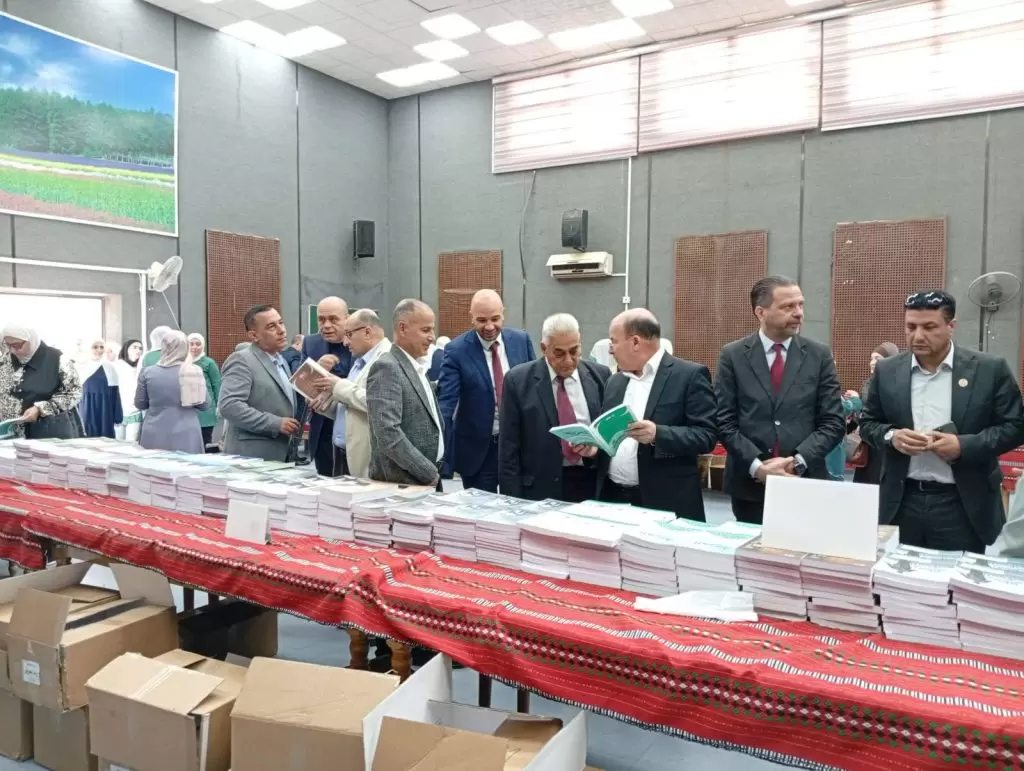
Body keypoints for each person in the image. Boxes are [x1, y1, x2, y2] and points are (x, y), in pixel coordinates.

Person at [860, 290, 1024, 553]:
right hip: (902, 502)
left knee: (959, 577)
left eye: (929, 327)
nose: (918, 336)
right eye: (911, 327)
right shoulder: (887, 370)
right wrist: (892, 437)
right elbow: (868, 423)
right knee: (897, 576)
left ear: (951, 326)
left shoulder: (989, 370)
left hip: (962, 504)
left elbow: (1015, 427)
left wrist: (963, 446)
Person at [715, 276, 845, 524]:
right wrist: (758, 467)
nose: (799, 313)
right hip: (750, 487)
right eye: (788, 306)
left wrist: (797, 462)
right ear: (761, 312)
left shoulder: (819, 355)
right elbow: (724, 421)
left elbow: (833, 422)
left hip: (806, 485)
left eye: (801, 304)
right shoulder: (733, 356)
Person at [584, 309, 717, 520]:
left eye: (614, 342)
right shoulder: (614, 381)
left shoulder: (688, 376)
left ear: (635, 342)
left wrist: (658, 434)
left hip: (664, 501)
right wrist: (593, 450)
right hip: (612, 497)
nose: (610, 350)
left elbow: (706, 436)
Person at [499, 313, 611, 502]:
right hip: (540, 488)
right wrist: (511, 502)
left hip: (590, 483)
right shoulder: (518, 381)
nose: (568, 360)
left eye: (574, 351)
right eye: (559, 353)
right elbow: (509, 449)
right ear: (544, 348)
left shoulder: (600, 376)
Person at [438, 289, 535, 491]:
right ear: (471, 318)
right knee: (481, 509)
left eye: (495, 319)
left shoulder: (521, 341)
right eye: (482, 320)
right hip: (478, 452)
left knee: (517, 505)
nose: (490, 326)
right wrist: (441, 455)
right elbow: (446, 406)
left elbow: (534, 391)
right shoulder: (456, 351)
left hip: (518, 447)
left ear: (503, 314)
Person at [367, 299, 444, 488]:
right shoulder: (387, 367)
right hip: (403, 485)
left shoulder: (415, 366)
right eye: (425, 330)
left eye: (432, 330)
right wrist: (428, 472)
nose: (432, 337)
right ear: (402, 329)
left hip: (424, 480)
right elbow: (388, 433)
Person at [308, 309, 392, 478]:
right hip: (343, 452)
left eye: (349, 334)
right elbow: (352, 406)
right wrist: (325, 406)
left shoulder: (387, 361)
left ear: (367, 332)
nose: (345, 342)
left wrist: (338, 385)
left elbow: (380, 404)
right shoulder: (360, 360)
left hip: (368, 457)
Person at [219, 305, 301, 462]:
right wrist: (275, 423)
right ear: (253, 335)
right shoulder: (242, 360)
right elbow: (229, 406)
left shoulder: (281, 360)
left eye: (281, 323)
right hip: (252, 457)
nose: (281, 330)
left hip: (281, 455)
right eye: (271, 326)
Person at [0, 324, 83, 439]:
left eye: (17, 345)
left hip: (49, 432)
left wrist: (41, 409)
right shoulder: (5, 360)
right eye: (8, 345)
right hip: (10, 435)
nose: (12, 350)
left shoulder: (57, 359)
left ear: (31, 339)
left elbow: (74, 393)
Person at [301, 297, 352, 475]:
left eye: (333, 319)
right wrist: (316, 368)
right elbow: (301, 382)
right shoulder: (311, 343)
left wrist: (336, 367)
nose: (326, 325)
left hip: (352, 430)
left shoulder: (360, 341)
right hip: (322, 430)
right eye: (321, 319)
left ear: (347, 318)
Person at [135, 331, 208, 454]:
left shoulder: (147, 372)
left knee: (154, 465)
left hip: (154, 432)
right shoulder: (193, 371)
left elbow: (140, 404)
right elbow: (204, 404)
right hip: (187, 433)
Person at [851, 342, 900, 485]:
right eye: (871, 358)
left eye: (877, 359)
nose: (872, 363)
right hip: (869, 446)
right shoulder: (868, 383)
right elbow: (864, 414)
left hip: (887, 446)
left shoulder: (899, 386)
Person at [78, 339, 122, 438]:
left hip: (105, 409)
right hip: (86, 408)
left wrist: (117, 416)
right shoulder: (80, 366)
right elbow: (74, 393)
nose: (99, 350)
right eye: (95, 347)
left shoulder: (109, 367)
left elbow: (115, 393)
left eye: (102, 347)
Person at [187, 333, 222, 450]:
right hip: (189, 410)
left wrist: (219, 405)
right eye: (191, 344)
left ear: (203, 346)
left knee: (205, 441)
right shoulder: (183, 362)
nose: (194, 347)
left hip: (206, 410)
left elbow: (217, 384)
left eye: (198, 344)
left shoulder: (209, 363)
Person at [115, 339, 143, 441]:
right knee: (118, 443)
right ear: (126, 349)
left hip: (135, 411)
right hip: (119, 410)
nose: (138, 350)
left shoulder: (141, 368)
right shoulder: (117, 366)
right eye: (134, 347)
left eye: (140, 348)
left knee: (132, 443)